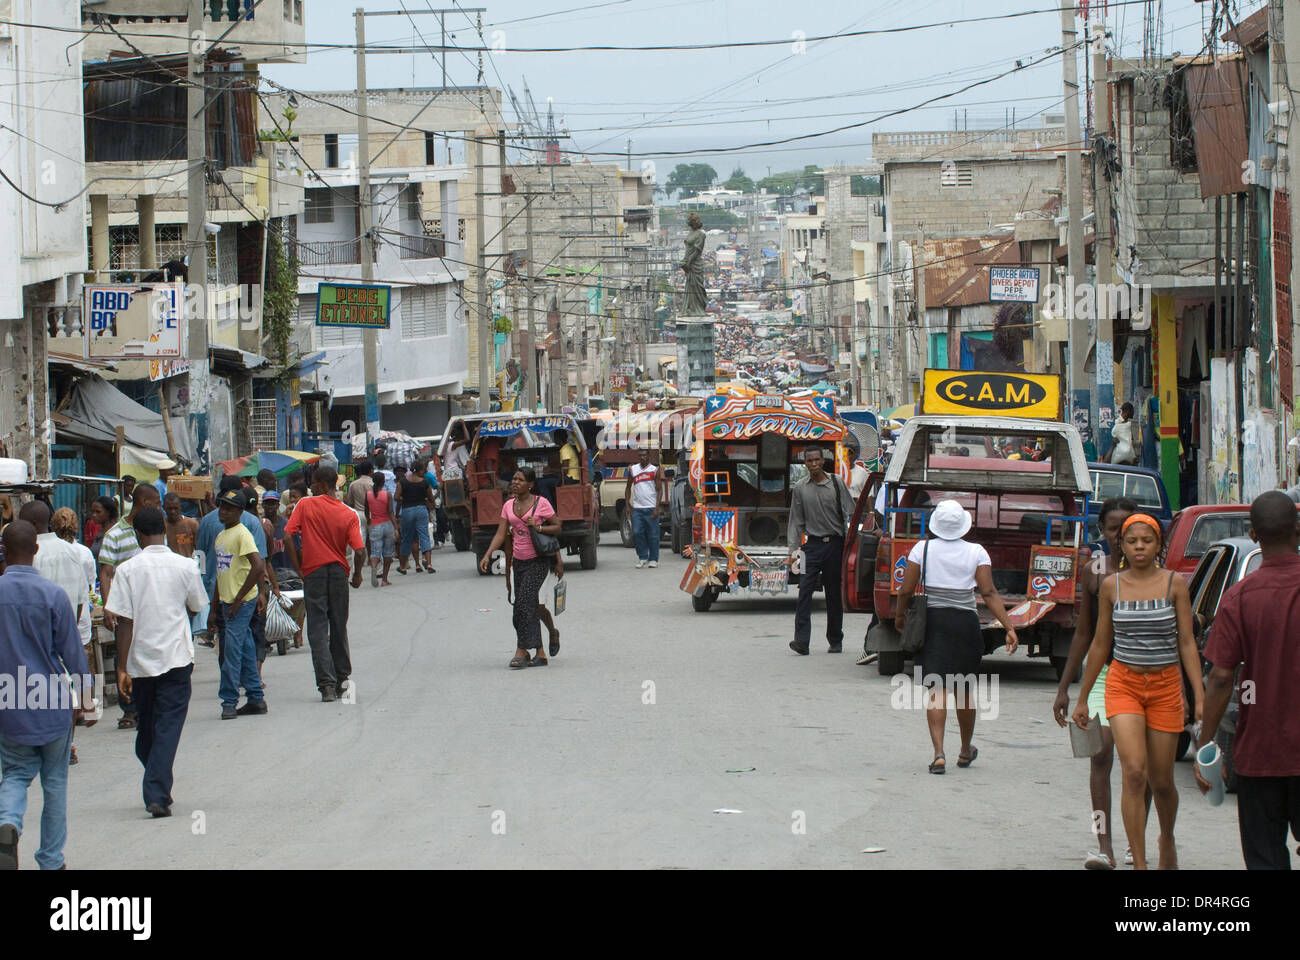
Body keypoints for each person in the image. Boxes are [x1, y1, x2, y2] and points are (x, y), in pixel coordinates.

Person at [1073, 513, 1202, 870]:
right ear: (1123, 547)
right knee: (1133, 772)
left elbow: (1187, 644)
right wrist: (1082, 696)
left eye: (1147, 540)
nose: (1140, 546)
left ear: (1159, 544)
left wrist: (1198, 695)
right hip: (1123, 684)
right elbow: (1101, 643)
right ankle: (1141, 863)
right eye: (1132, 541)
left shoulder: (1175, 584)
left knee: (1162, 781)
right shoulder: (1112, 586)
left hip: (1164, 687)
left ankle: (1167, 839)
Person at [1197, 490, 1300, 869]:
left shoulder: (1239, 598)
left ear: (1253, 536)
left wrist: (1206, 742)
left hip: (1260, 754)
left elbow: (1221, 677)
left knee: (1265, 859)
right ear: (1299, 531)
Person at [1052, 497, 1149, 870]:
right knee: (1100, 757)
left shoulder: (1156, 572)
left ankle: (1134, 841)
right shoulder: (1094, 570)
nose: (1121, 534)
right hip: (1103, 675)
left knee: (1138, 765)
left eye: (1128, 526)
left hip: (1144, 676)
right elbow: (1084, 633)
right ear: (1103, 531)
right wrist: (1065, 687)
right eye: (1113, 527)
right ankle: (1103, 844)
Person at [896, 499, 1020, 773]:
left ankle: (939, 754)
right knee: (963, 690)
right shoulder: (977, 552)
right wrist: (1009, 626)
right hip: (965, 624)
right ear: (963, 526)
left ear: (936, 525)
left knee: (936, 688)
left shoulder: (922, 548)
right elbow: (988, 593)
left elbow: (906, 590)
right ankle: (965, 749)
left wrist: (899, 616)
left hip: (933, 622)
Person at [0, 520, 94, 871]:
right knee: (54, 783)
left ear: (3, 551)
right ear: (36, 550)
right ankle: (51, 861)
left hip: (9, 703)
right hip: (52, 702)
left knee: (14, 773)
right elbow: (74, 655)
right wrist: (86, 703)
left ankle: (7, 821)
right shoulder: (53, 595)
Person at [104, 507, 206, 817]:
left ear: (137, 535)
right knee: (160, 730)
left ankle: (156, 793)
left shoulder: (128, 570)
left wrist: (121, 667)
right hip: (175, 656)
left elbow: (124, 622)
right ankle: (158, 784)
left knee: (150, 729)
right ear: (164, 529)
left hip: (141, 661)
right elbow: (196, 605)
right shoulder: (185, 566)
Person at [284, 465, 365, 702]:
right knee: (339, 627)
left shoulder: (306, 505)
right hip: (339, 573)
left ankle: (326, 685)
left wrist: (298, 567)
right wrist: (357, 575)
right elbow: (359, 551)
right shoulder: (348, 513)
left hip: (314, 573)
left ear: (319, 484)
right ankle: (342, 678)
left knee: (318, 629)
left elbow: (288, 535)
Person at [479, 467, 561, 669]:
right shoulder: (508, 505)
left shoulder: (541, 503)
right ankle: (540, 653)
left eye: (520, 479)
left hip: (538, 561)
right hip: (519, 562)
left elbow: (557, 527)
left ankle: (521, 651)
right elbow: (500, 534)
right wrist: (488, 554)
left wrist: (539, 527)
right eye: (514, 478)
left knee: (525, 604)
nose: (515, 482)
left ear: (530, 484)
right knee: (522, 608)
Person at [100, 484, 162, 729]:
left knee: (149, 653)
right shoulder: (115, 534)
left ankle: (149, 703)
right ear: (145, 502)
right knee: (124, 655)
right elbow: (105, 572)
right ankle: (129, 709)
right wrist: (108, 605)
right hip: (126, 608)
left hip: (151, 606)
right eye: (156, 502)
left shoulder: (156, 531)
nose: (159, 506)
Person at [787, 446, 855, 655]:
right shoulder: (800, 487)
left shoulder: (836, 483)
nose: (813, 464)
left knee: (833, 594)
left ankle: (835, 640)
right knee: (804, 591)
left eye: (817, 460)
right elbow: (795, 520)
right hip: (811, 547)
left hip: (835, 545)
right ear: (805, 463)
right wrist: (792, 552)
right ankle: (801, 641)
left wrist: (854, 544)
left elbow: (851, 512)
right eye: (809, 461)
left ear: (823, 461)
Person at [209, 489, 267, 720]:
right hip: (227, 601)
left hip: (240, 603)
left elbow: (258, 566)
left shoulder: (242, 534)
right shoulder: (221, 536)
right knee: (245, 647)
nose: (223, 511)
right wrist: (214, 608)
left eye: (228, 507)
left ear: (240, 511)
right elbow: (220, 573)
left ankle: (229, 701)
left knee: (231, 652)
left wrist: (240, 599)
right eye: (221, 506)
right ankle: (255, 697)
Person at [195, 477, 268, 656]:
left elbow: (200, 557)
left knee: (231, 644)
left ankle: (237, 682)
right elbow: (261, 561)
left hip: (221, 593)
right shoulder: (251, 522)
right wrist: (261, 591)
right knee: (246, 639)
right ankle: (252, 680)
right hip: (244, 592)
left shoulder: (207, 521)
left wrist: (203, 587)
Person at [22, 501, 89, 634]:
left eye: (22, 523)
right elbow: (81, 600)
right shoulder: (71, 550)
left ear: (33, 523)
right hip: (66, 635)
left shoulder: (32, 554)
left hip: (41, 639)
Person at [396, 460, 436, 575]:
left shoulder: (403, 482)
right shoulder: (424, 482)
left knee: (407, 538)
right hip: (421, 510)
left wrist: (404, 500)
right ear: (420, 470)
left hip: (407, 510)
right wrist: (429, 504)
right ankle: (428, 564)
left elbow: (396, 497)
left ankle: (403, 567)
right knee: (424, 536)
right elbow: (431, 498)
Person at [624, 448, 661, 569]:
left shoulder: (654, 470)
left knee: (653, 535)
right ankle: (643, 557)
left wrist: (657, 508)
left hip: (651, 508)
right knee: (637, 532)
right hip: (638, 508)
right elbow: (628, 488)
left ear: (648, 456)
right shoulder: (633, 470)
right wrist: (627, 505)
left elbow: (659, 490)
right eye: (640, 455)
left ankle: (653, 559)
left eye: (644, 455)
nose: (642, 457)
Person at [365, 470, 398, 586]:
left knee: (375, 552)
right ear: (383, 482)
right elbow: (390, 512)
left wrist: (370, 521)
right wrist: (395, 527)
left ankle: (374, 566)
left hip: (374, 525)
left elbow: (366, 511)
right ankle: (384, 579)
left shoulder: (368, 495)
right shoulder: (387, 495)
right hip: (387, 525)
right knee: (388, 553)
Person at [162, 493, 198, 558]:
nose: (173, 511)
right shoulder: (161, 525)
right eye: (169, 509)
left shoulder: (192, 524)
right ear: (164, 508)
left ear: (180, 507)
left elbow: (199, 548)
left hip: (188, 564)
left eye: (176, 508)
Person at [87, 496, 117, 561]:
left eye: (98, 512)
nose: (94, 515)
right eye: (92, 512)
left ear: (108, 512)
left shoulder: (114, 533)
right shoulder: (99, 530)